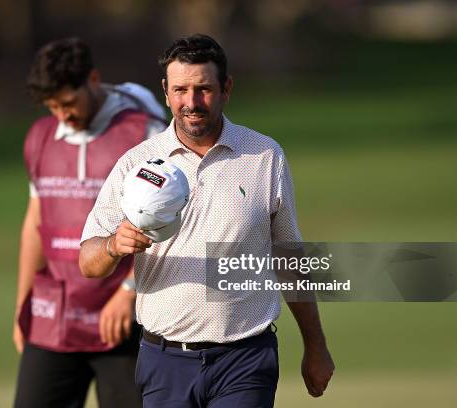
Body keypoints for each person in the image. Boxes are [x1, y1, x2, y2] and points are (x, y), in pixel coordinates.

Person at [79, 34, 335, 408]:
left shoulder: (264, 156)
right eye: (181, 89)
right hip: (164, 360)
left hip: (245, 359)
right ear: (165, 92)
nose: (192, 102)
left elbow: (289, 260)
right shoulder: (136, 164)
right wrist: (113, 246)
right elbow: (88, 261)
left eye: (204, 89)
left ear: (226, 88)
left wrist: (316, 346)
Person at [12, 37, 166, 408]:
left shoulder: (142, 132)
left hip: (123, 324)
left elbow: (170, 223)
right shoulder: (40, 139)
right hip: (55, 319)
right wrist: (23, 304)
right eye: (52, 106)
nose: (62, 114)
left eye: (68, 102)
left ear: (93, 79)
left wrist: (129, 291)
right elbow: (35, 222)